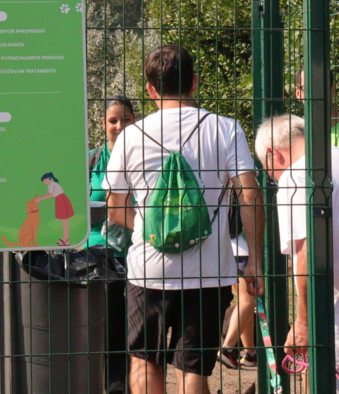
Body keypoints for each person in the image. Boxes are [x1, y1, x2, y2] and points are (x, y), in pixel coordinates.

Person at [104, 44, 265, 394]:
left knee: (144, 360)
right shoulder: (225, 128)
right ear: (194, 82)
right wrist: (254, 261)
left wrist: (152, 230)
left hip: (148, 269)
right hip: (209, 270)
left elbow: (114, 207)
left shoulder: (131, 135)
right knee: (193, 368)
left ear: (150, 90)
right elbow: (250, 195)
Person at [255, 114, 339, 394]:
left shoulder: (297, 177)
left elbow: (307, 255)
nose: (273, 179)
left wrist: (304, 322)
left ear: (273, 154)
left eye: (269, 172)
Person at [87, 95, 137, 394]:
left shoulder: (147, 156)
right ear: (103, 124)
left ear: (135, 121)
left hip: (138, 253)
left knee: (128, 330)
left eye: (126, 119)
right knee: (103, 327)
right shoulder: (90, 160)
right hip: (97, 257)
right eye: (113, 120)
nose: (119, 126)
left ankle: (120, 387)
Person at [295, 65, 339, 160]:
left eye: (321, 86)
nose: (315, 93)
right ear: (298, 93)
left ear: (332, 89)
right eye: (308, 87)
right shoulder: (294, 133)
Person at [217, 234, 257, 370]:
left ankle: (250, 353)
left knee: (245, 302)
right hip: (245, 251)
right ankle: (227, 348)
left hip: (229, 250)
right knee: (247, 301)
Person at [37, 172, 74, 246]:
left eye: (44, 181)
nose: (44, 183)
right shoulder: (50, 185)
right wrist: (40, 198)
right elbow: (48, 194)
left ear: (48, 178)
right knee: (64, 221)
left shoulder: (53, 184)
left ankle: (66, 239)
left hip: (62, 200)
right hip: (59, 200)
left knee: (65, 221)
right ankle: (65, 238)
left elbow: (50, 195)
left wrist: (40, 198)